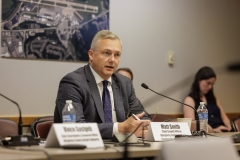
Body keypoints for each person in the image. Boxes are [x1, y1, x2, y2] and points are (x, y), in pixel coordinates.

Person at [54, 30, 150, 139]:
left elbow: (142, 117)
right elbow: (75, 127)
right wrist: (120, 128)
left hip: (121, 151)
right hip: (85, 152)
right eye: (106, 53)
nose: (112, 60)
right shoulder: (73, 82)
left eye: (117, 55)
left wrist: (144, 126)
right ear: (91, 54)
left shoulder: (124, 83)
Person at [183, 66, 232, 133]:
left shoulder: (214, 96)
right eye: (208, 83)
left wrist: (230, 128)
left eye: (212, 84)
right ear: (199, 81)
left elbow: (224, 118)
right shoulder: (190, 99)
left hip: (222, 131)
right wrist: (214, 130)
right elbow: (191, 126)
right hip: (206, 135)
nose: (210, 87)